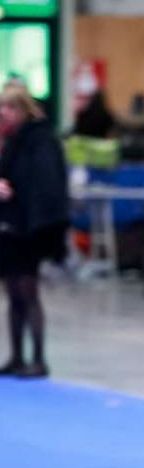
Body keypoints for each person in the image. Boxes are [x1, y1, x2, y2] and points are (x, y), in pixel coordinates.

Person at [0, 85, 68, 377]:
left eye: (9, 108)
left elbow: (44, 185)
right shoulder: (12, 139)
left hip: (29, 229)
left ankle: (39, 358)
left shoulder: (40, 140)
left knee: (27, 293)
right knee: (13, 293)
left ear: (21, 109)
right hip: (10, 227)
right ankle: (17, 356)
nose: (4, 113)